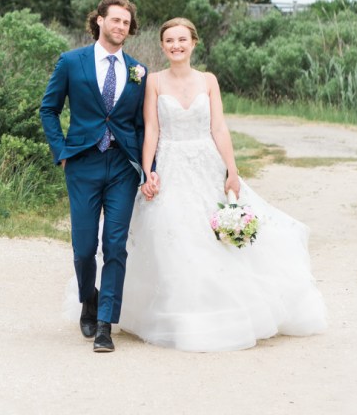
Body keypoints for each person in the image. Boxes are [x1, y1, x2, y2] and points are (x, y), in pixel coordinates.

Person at [118, 17, 327, 351]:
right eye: (169, 41)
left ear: (194, 43)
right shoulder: (154, 82)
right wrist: (147, 172)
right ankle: (178, 315)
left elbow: (219, 128)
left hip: (206, 162)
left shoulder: (208, 80)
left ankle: (223, 310)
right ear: (162, 46)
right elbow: (152, 129)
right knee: (173, 233)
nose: (176, 46)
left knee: (215, 236)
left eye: (182, 40)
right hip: (170, 164)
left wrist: (232, 170)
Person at [40, 0, 148, 353]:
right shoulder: (72, 62)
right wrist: (62, 154)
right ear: (99, 20)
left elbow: (142, 125)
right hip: (82, 163)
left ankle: (105, 324)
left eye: (126, 23)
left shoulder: (138, 71)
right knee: (84, 248)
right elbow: (48, 109)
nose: (120, 27)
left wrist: (148, 169)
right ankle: (88, 298)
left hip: (122, 167)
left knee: (115, 245)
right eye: (115, 20)